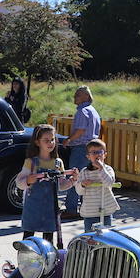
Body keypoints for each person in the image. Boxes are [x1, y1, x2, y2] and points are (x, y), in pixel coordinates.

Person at [15, 125, 78, 241]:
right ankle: (25, 258)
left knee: (49, 240)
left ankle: (49, 259)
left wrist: (72, 180)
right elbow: (19, 183)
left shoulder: (58, 163)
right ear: (37, 142)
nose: (51, 143)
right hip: (33, 207)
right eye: (46, 140)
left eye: (52, 140)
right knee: (28, 238)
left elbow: (61, 185)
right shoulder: (31, 162)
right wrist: (28, 181)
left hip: (51, 207)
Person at [61, 86, 100, 220]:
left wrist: (68, 140)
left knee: (75, 177)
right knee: (86, 178)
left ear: (86, 97)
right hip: (91, 149)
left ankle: (71, 209)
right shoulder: (93, 111)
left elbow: (80, 131)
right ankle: (85, 209)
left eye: (78, 95)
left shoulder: (82, 111)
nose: (74, 97)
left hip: (80, 148)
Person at [77, 139, 118, 233]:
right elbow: (79, 191)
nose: (97, 155)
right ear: (88, 156)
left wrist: (101, 168)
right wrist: (82, 184)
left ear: (105, 155)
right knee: (90, 236)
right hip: (90, 212)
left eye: (100, 152)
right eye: (94, 152)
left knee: (107, 235)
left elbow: (109, 182)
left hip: (106, 210)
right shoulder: (84, 172)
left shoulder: (108, 169)